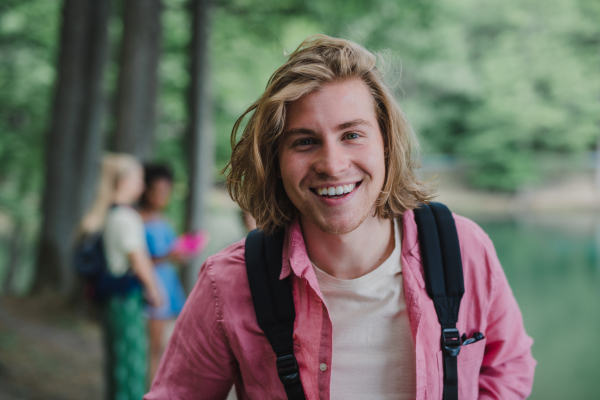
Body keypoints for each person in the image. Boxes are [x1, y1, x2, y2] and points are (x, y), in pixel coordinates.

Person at [145, 36, 536, 399]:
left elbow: (507, 366)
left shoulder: (463, 248)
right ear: (275, 161)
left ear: (386, 143)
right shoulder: (228, 283)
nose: (332, 165)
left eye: (351, 135)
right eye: (304, 141)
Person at [79, 153, 161, 400]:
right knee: (132, 365)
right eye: (138, 178)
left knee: (116, 363)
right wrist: (155, 291)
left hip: (111, 300)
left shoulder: (107, 214)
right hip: (126, 299)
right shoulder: (126, 217)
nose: (143, 185)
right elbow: (138, 260)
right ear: (123, 180)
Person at [137, 164, 189, 383]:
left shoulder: (165, 221)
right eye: (157, 190)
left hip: (169, 286)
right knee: (154, 348)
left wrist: (181, 252)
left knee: (169, 348)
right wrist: (168, 255)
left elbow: (172, 253)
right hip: (152, 288)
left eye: (166, 191)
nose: (162, 196)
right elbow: (138, 260)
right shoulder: (138, 220)